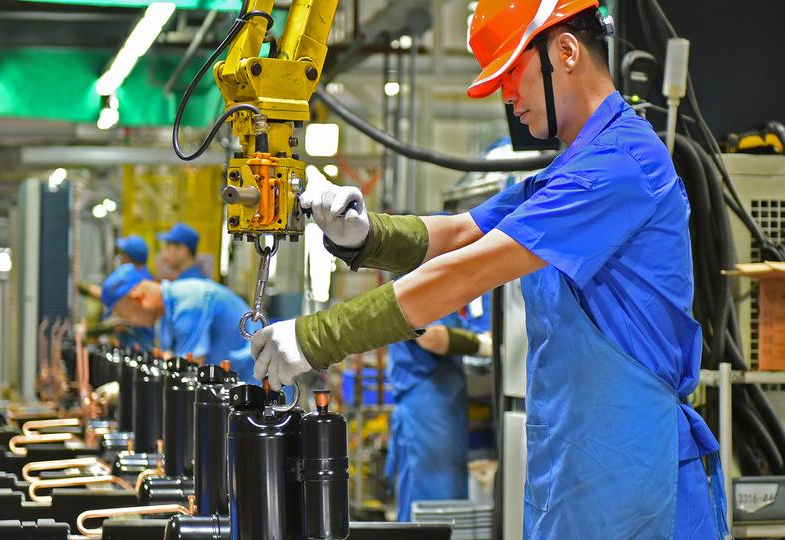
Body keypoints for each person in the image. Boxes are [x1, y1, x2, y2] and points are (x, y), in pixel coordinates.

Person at [249, 1, 727, 537]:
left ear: (565, 51)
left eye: (510, 73)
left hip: (630, 468)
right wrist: (361, 233)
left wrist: (317, 339)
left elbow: (465, 272)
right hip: (576, 457)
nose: (505, 96)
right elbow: (461, 233)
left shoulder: (619, 167)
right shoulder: (569, 167)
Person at [385, 294, 492, 521]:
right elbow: (432, 337)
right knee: (429, 501)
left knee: (448, 501)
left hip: (443, 406)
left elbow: (454, 328)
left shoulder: (445, 289)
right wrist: (482, 345)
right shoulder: (417, 277)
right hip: (426, 409)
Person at [101, 263, 259, 382]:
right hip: (230, 385)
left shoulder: (189, 304)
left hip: (253, 387)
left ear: (138, 298)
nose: (130, 322)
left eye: (124, 314)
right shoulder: (166, 312)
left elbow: (188, 372)